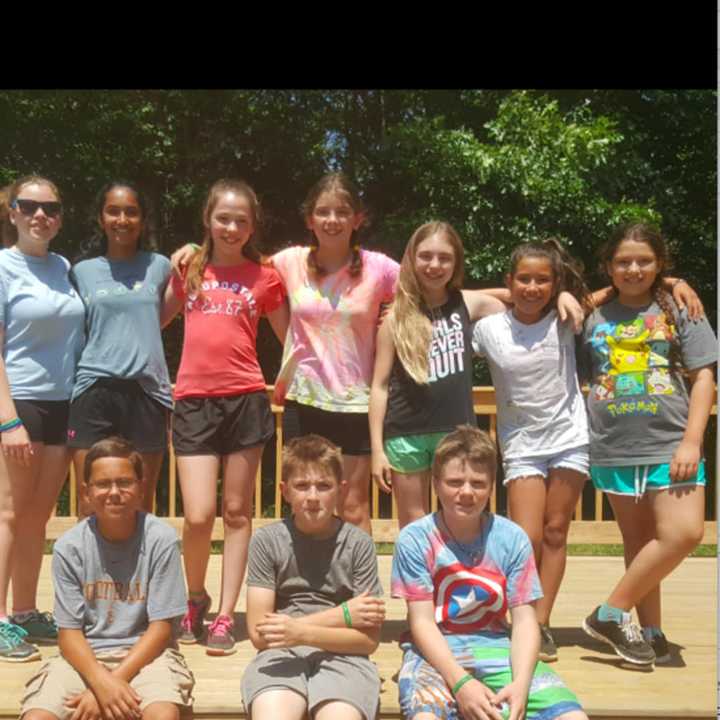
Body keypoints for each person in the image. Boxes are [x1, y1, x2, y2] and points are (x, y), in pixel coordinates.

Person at [171, 172, 400, 534]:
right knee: (304, 504)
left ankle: (361, 588)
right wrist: (197, 251)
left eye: (343, 212)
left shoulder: (381, 268)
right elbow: (233, 257)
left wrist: (398, 312)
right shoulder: (287, 262)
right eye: (323, 212)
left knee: (353, 507)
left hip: (356, 401)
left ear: (358, 219)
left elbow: (425, 293)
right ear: (309, 219)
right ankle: (304, 589)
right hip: (303, 400)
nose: (332, 220)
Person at [581, 222, 716, 666]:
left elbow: (704, 379)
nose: (633, 268)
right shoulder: (592, 315)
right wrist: (594, 295)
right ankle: (651, 631)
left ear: (660, 264)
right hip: (613, 443)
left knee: (684, 533)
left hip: (671, 442)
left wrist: (692, 441)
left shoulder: (682, 309)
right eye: (623, 262)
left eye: (644, 261)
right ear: (609, 267)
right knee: (639, 546)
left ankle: (609, 613)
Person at [163, 178, 289, 656]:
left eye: (241, 220)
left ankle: (223, 616)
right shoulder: (188, 267)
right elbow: (155, 318)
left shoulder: (266, 276)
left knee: (237, 513)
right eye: (223, 218)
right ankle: (195, 597)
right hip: (193, 399)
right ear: (207, 220)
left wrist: (289, 383)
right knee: (197, 516)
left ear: (253, 225)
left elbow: (291, 339)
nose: (232, 227)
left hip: (245, 399)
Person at [391, 425, 587, 720]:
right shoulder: (415, 540)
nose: (467, 492)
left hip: (497, 646)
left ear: (492, 486)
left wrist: (521, 684)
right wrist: (461, 684)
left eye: (478, 483)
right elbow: (421, 622)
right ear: (435, 483)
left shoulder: (512, 538)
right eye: (455, 482)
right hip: (433, 652)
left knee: (571, 716)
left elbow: (524, 621)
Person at [470, 239, 592, 663]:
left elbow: (623, 288)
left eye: (544, 280)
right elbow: (451, 300)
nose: (533, 287)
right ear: (509, 280)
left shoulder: (566, 317)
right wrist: (505, 296)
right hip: (521, 443)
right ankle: (519, 617)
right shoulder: (489, 327)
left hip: (569, 436)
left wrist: (564, 294)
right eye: (524, 279)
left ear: (556, 282)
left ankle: (540, 623)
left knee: (556, 531)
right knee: (526, 538)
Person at [19, 436, 194, 720]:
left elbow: (161, 629)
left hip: (147, 656)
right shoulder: (69, 547)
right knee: (37, 716)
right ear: (86, 492)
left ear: (140, 488)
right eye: (103, 484)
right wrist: (101, 682)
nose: (114, 492)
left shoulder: (161, 540)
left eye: (124, 482)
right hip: (84, 657)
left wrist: (112, 683)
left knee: (162, 714)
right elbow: (69, 633)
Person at [369, 221, 507, 529]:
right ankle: (415, 579)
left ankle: (456, 577)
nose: (435, 265)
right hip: (405, 433)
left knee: (462, 516)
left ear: (456, 262)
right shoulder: (395, 319)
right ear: (411, 259)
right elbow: (378, 386)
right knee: (413, 521)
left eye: (444, 258)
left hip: (457, 431)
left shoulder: (466, 304)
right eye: (426, 256)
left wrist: (564, 298)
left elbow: (515, 300)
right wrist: (377, 450)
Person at [242, 434, 385, 720]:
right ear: (284, 491)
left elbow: (368, 641)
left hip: (344, 655)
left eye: (323, 486)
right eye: (302, 486)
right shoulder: (267, 541)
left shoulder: (359, 544)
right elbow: (259, 634)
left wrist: (299, 631)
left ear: (340, 490)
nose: (312, 497)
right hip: (279, 654)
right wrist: (345, 614)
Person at [0, 175, 84, 660]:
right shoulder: (4, 267)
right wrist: (9, 421)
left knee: (37, 518)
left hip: (63, 404)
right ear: (11, 212)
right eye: (28, 206)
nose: (39, 215)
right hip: (20, 404)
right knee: (8, 515)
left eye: (50, 208)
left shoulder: (63, 266)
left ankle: (26, 613)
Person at [68, 181, 174, 513]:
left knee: (140, 502)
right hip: (93, 390)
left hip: (147, 392)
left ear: (142, 220)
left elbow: (193, 287)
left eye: (131, 212)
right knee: (91, 501)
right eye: (113, 211)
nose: (122, 219)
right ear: (101, 218)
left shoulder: (160, 266)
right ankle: (88, 567)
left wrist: (193, 251)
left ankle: (142, 568)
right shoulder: (81, 272)